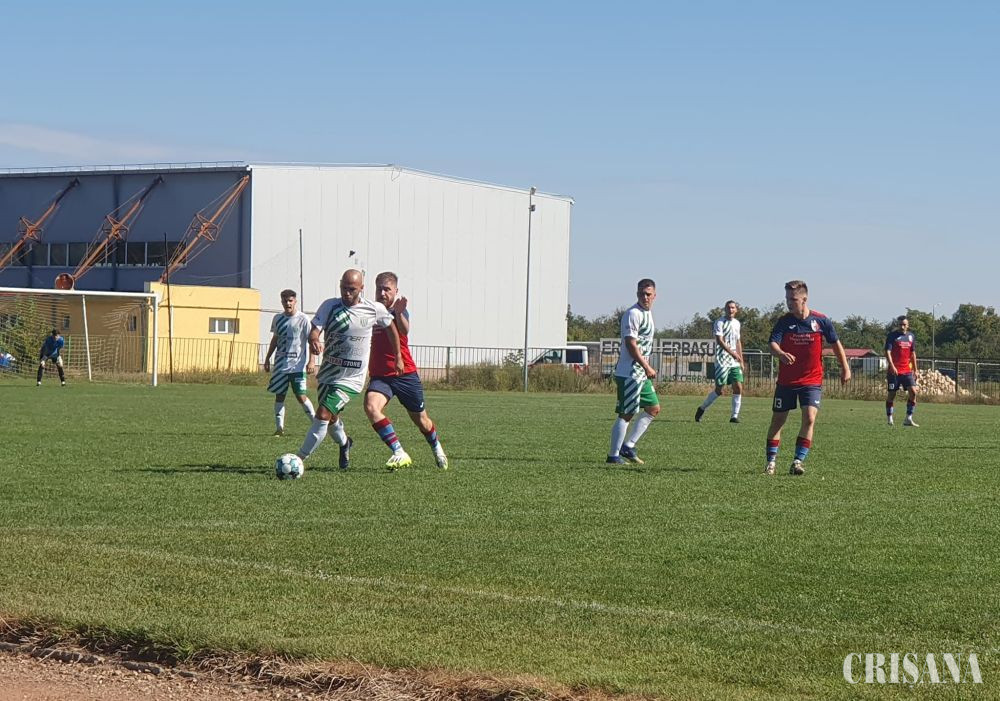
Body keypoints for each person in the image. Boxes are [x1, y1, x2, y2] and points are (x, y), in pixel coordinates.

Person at [296, 269, 403, 470]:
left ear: (361, 288)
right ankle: (345, 443)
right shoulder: (330, 306)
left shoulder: (374, 309)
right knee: (331, 418)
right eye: (343, 288)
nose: (347, 293)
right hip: (328, 374)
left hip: (352, 379)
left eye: (352, 289)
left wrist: (398, 356)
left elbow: (391, 328)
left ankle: (298, 459)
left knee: (323, 414)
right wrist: (314, 339)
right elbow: (314, 330)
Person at [764, 280, 851, 476]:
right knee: (778, 421)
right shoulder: (784, 321)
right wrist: (781, 354)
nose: (789, 303)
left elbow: (836, 344)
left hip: (811, 380)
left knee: (810, 418)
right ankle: (771, 462)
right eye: (787, 299)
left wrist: (845, 368)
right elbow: (772, 344)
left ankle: (797, 461)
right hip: (787, 381)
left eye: (793, 299)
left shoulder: (821, 321)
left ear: (804, 299)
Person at [364, 272, 448, 470]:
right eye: (379, 289)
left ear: (396, 291)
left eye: (387, 289)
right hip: (380, 376)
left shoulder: (399, 311)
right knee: (371, 407)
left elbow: (404, 329)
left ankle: (437, 448)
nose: (382, 293)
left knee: (421, 421)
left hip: (404, 374)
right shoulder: (371, 311)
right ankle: (399, 451)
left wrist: (399, 313)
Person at [607, 279, 659, 465]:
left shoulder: (647, 314)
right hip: (630, 373)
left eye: (648, 294)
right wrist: (647, 366)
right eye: (641, 293)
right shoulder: (633, 314)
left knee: (653, 408)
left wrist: (645, 368)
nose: (645, 297)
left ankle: (628, 446)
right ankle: (613, 456)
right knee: (627, 414)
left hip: (640, 374)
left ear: (654, 296)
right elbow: (631, 344)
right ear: (637, 294)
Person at [263, 289, 316, 436]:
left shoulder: (303, 319)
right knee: (279, 395)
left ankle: (317, 424)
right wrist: (267, 358)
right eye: (285, 301)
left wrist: (312, 361)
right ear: (281, 302)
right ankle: (279, 428)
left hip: (297, 366)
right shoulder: (278, 318)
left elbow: (312, 340)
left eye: (290, 301)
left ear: (295, 301)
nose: (288, 303)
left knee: (300, 396)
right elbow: (275, 339)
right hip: (280, 365)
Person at [695, 300, 745, 423]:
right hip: (722, 359)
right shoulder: (719, 322)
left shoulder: (737, 323)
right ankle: (702, 408)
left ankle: (734, 416)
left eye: (733, 308)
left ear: (736, 310)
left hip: (734, 361)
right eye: (728, 308)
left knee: (738, 386)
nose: (731, 310)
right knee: (719, 390)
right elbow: (719, 340)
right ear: (725, 309)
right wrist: (732, 353)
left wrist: (741, 360)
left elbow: (738, 342)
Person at [885, 315, 919, 427]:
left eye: (904, 324)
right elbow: (887, 352)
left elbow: (913, 353)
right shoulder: (892, 336)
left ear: (908, 325)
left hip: (907, 370)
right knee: (892, 394)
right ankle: (889, 418)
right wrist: (892, 366)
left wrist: (915, 369)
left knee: (913, 392)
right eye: (900, 324)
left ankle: (908, 418)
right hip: (894, 371)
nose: (902, 326)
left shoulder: (911, 336)